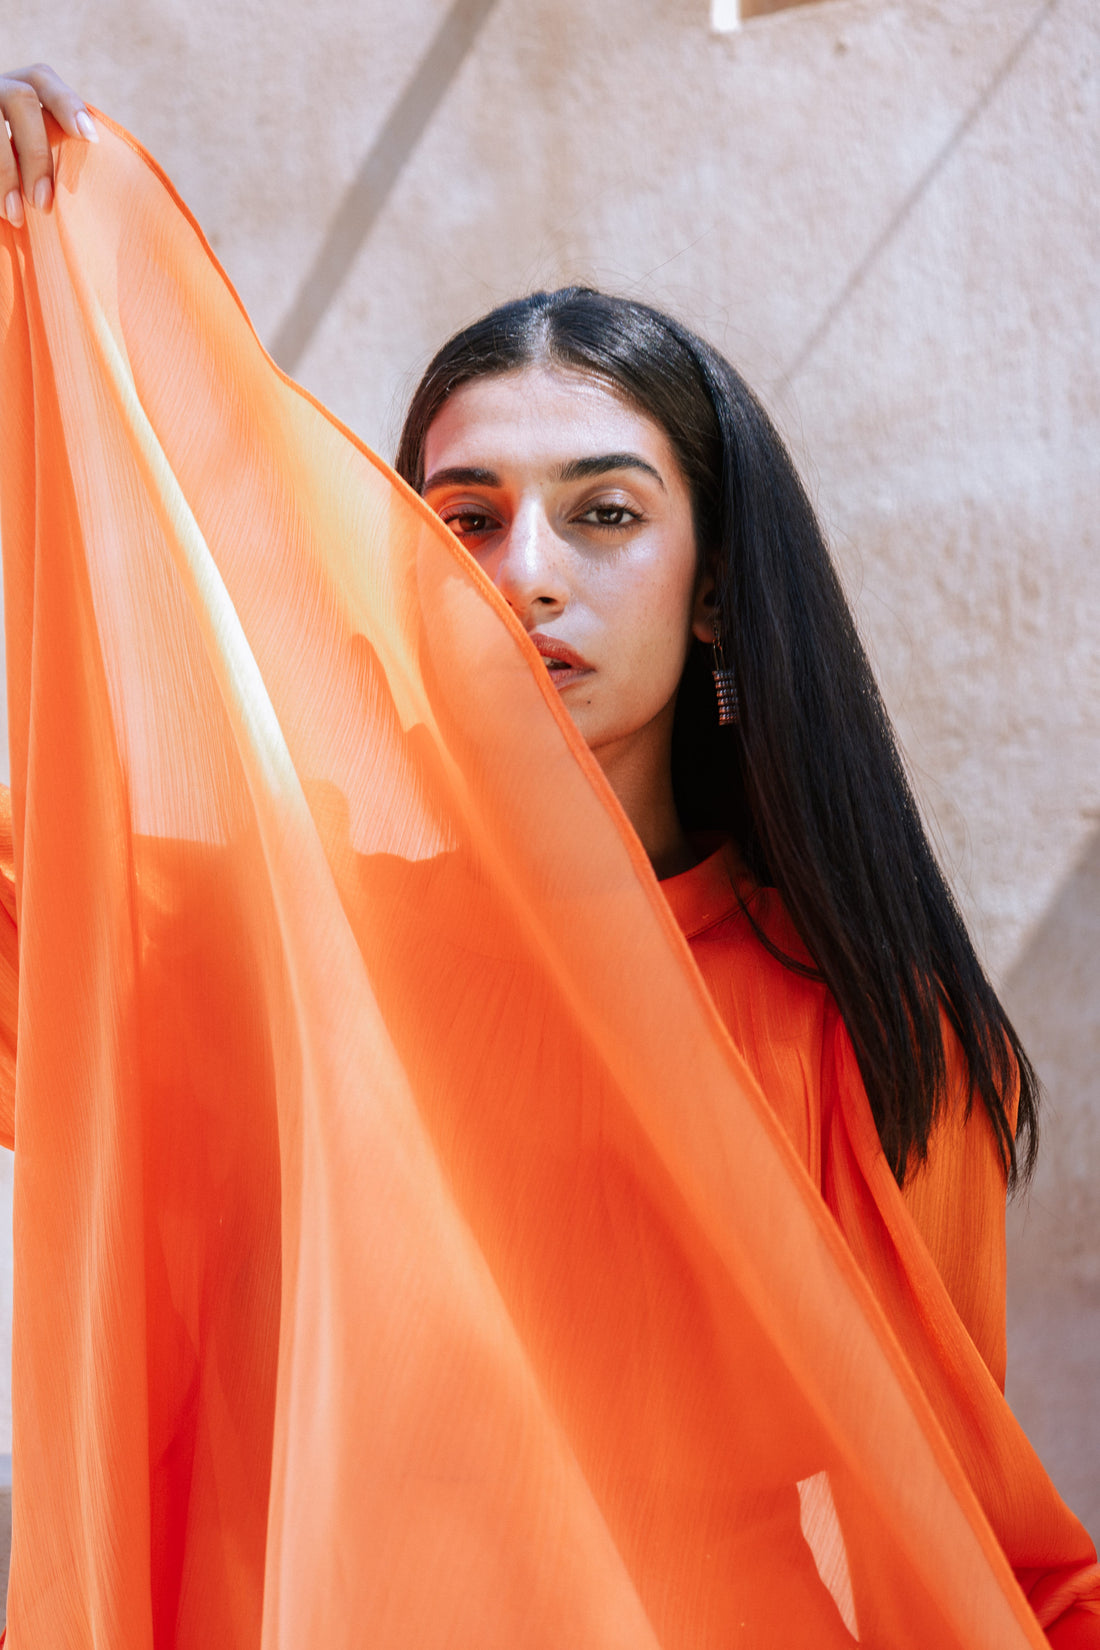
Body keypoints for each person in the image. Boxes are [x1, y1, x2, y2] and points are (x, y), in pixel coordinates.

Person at [0, 63, 1097, 1648]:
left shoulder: (855, 1022)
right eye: (464, 520)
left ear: (715, 589)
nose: (527, 575)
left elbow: (965, 1527)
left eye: (603, 514)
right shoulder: (272, 964)